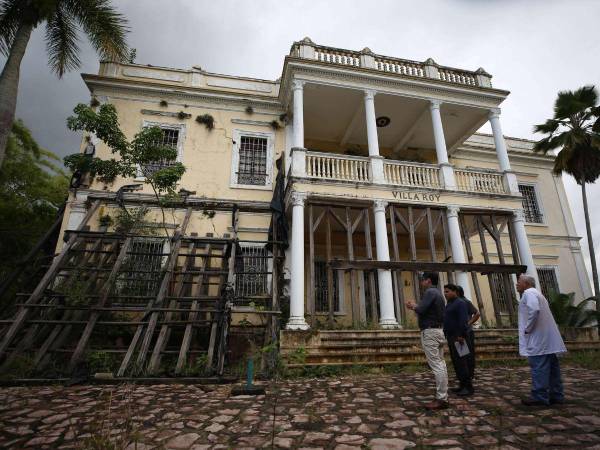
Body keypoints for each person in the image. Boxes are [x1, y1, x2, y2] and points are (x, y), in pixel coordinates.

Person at [516, 274, 567, 406]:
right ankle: (556, 395)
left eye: (519, 282)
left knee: (539, 367)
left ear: (526, 284)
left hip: (538, 338)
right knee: (553, 368)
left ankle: (539, 396)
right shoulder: (538, 294)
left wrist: (527, 328)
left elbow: (534, 310)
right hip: (547, 339)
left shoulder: (528, 293)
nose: (517, 284)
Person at [406, 272, 448, 410]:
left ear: (428, 281)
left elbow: (421, 309)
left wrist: (413, 305)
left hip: (430, 332)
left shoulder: (430, 292)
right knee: (441, 364)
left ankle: (441, 398)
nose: (421, 282)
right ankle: (443, 395)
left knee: (436, 365)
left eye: (422, 280)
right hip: (439, 330)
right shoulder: (438, 294)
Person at [443, 284, 474, 396]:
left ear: (455, 291)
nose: (445, 294)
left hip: (459, 337)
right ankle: (462, 385)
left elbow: (463, 320)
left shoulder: (460, 303)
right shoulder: (450, 304)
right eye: (444, 292)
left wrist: (461, 335)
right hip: (451, 336)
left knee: (462, 362)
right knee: (456, 362)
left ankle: (468, 387)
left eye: (447, 291)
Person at [457, 285, 480, 380]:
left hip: (467, 332)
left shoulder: (465, 302)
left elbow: (477, 313)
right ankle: (465, 374)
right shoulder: (457, 302)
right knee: (462, 354)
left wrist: (468, 323)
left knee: (468, 354)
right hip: (459, 332)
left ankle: (470, 374)